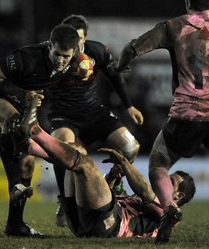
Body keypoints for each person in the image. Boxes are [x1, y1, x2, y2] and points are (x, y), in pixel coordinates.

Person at [111, 0, 209, 246]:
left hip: (186, 115)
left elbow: (132, 48)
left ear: (187, 2)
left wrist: (120, 67)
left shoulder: (174, 27)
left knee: (158, 166)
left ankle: (168, 210)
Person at [17, 95, 195, 238]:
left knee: (85, 164)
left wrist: (124, 162)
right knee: (78, 150)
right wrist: (111, 177)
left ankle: (35, 132)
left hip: (109, 226)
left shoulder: (170, 214)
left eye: (170, 181)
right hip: (85, 219)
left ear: (178, 195)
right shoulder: (137, 201)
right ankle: (28, 146)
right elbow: (107, 198)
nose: (163, 181)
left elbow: (145, 191)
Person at [0, 24, 80, 237]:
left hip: (23, 107)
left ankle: (15, 224)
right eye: (56, 54)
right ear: (49, 46)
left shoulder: (75, 62)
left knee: (28, 160)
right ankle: (15, 187)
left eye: (65, 56)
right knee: (12, 121)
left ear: (73, 52)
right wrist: (23, 91)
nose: (60, 61)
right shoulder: (25, 58)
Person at [47, 14, 144, 226]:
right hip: (64, 116)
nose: (75, 45)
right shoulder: (55, 55)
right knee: (63, 148)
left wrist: (129, 106)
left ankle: (114, 182)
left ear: (85, 38)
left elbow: (115, 76)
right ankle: (64, 202)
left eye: (79, 39)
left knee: (131, 147)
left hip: (94, 113)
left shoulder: (97, 51)